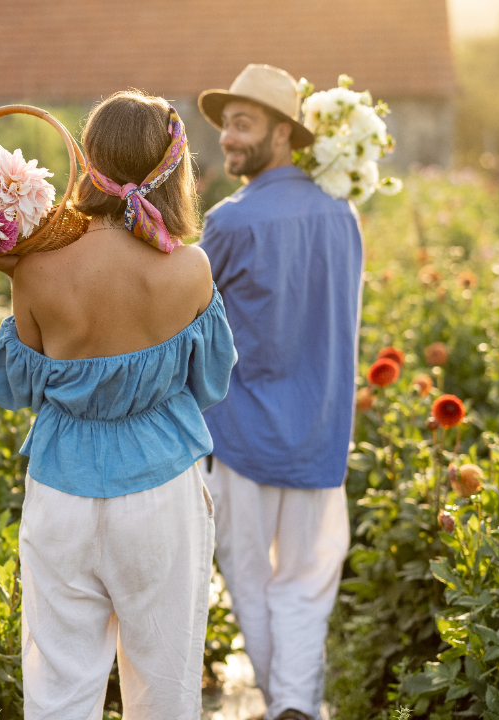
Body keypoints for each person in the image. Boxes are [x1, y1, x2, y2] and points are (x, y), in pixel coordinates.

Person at [0, 90, 237, 720]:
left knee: (59, 680)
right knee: (166, 679)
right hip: (161, 490)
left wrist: (13, 269)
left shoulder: (36, 270)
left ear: (85, 159)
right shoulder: (191, 270)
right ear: (174, 168)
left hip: (62, 492)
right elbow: (211, 384)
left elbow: (13, 389)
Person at [195, 65, 364, 720]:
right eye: (225, 126)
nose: (228, 140)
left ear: (284, 132)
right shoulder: (340, 212)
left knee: (249, 578)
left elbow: (188, 320)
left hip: (242, 432)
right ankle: (294, 705)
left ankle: (285, 704)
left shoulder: (231, 221)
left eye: (242, 124)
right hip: (320, 428)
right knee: (307, 582)